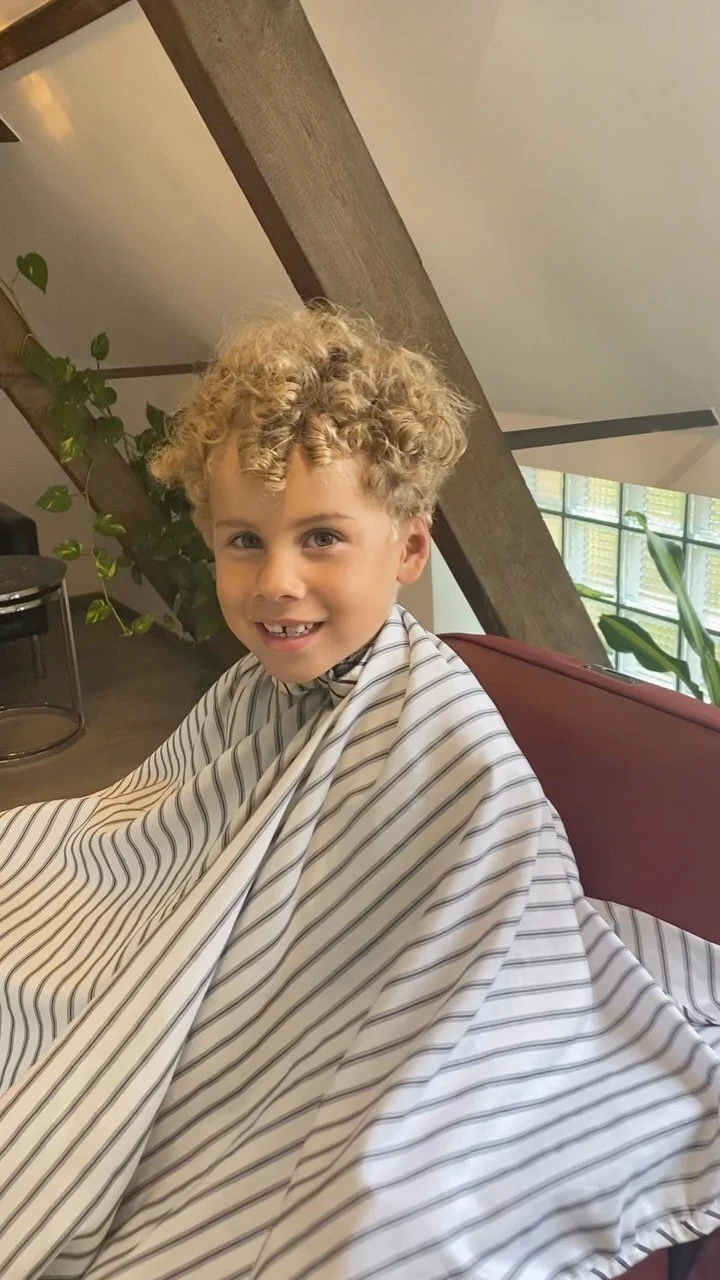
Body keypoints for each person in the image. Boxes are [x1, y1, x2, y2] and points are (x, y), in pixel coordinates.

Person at [0, 305, 718, 1280]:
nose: (275, 581)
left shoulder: (442, 735)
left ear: (409, 549)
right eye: (243, 540)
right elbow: (172, 830)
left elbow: (476, 939)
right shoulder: (256, 687)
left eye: (322, 537)